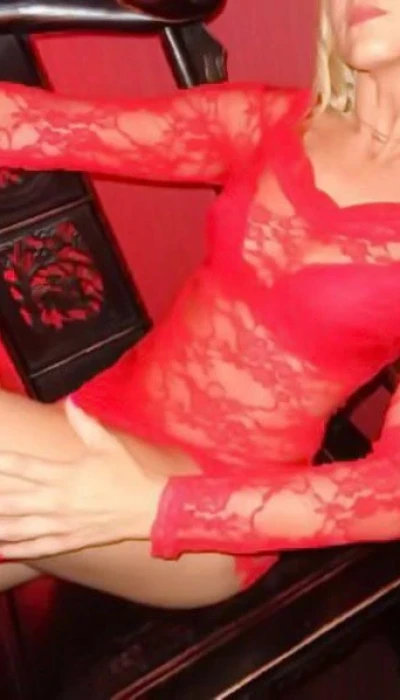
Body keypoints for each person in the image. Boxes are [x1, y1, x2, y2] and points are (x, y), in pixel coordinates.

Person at [0, 0, 397, 609]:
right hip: (97, 422)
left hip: (202, 516)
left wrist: (153, 504)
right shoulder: (271, 123)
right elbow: (48, 125)